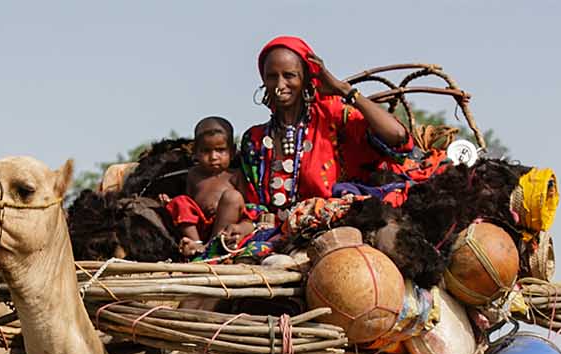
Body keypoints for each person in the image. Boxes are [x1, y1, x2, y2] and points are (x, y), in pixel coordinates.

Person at [239, 36, 424, 225]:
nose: (279, 85)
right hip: (274, 237)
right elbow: (253, 203)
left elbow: (398, 137)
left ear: (306, 79)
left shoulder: (335, 117)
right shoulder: (254, 140)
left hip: (337, 226)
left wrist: (343, 89)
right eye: (271, 76)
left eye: (289, 75)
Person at [161, 117, 253, 257]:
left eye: (220, 150)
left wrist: (221, 208)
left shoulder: (235, 175)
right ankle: (196, 244)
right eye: (206, 151)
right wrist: (171, 203)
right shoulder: (194, 174)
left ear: (232, 151)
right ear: (195, 152)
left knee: (232, 197)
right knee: (180, 201)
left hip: (225, 227)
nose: (213, 157)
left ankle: (213, 246)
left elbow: (244, 206)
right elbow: (190, 203)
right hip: (200, 226)